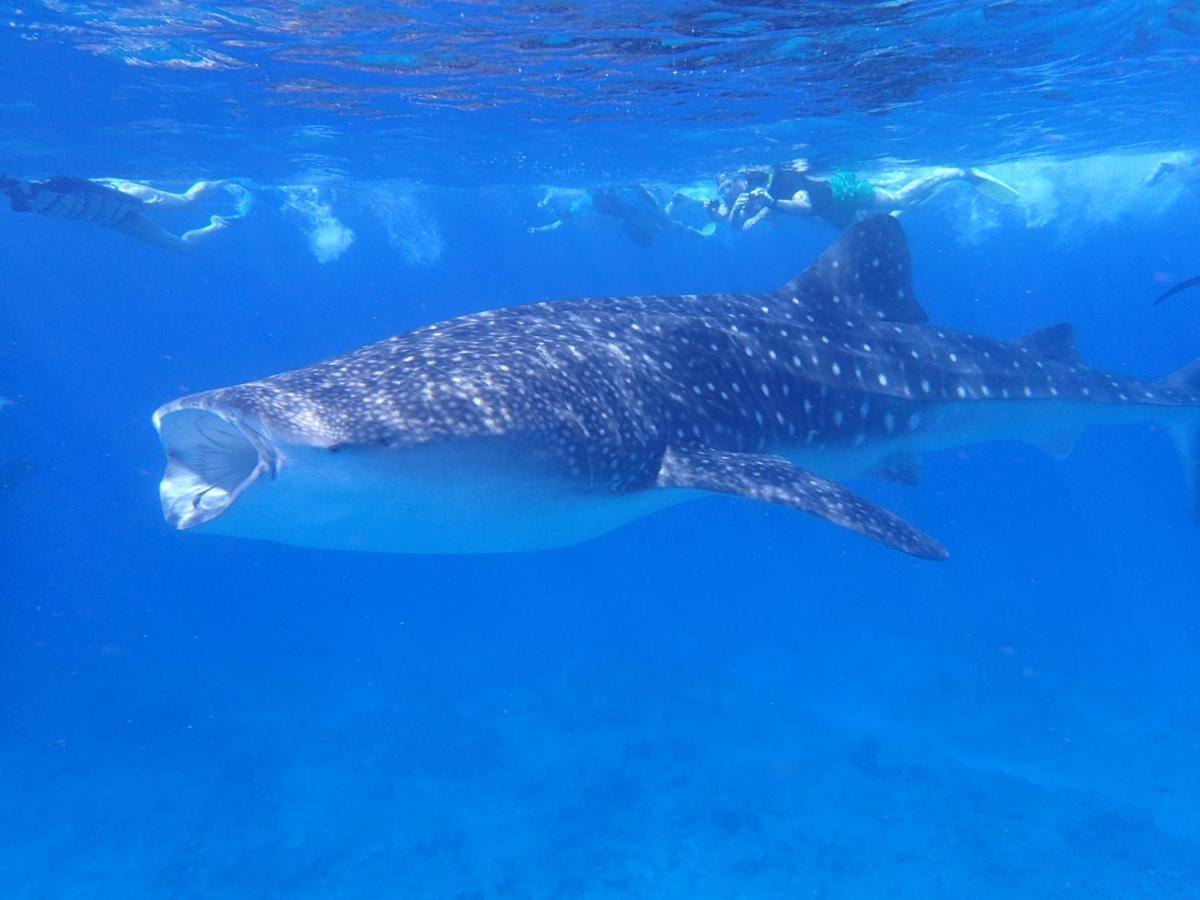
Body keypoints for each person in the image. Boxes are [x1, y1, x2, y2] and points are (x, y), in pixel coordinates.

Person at [735, 159, 1013, 231]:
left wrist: (770, 203)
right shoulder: (768, 186)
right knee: (871, 230)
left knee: (899, 199)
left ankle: (958, 173)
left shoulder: (784, 179)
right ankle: (911, 205)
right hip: (834, 214)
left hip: (845, 196)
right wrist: (762, 212)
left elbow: (804, 206)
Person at [0, 175, 250, 252]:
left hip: (124, 194)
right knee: (182, 248)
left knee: (185, 202)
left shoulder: (52, 184)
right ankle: (218, 225)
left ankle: (221, 179)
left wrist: (135, 201)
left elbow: (91, 186)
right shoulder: (22, 206)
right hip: (116, 219)